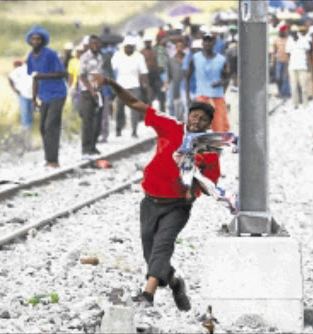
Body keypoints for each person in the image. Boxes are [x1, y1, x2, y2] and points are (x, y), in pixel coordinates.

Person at [91, 73, 221, 311]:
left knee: (163, 246)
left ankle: (146, 295)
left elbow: (211, 182)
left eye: (202, 119)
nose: (197, 121)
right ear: (187, 116)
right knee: (151, 254)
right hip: (150, 201)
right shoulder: (170, 126)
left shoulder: (210, 149)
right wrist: (110, 82)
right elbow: (134, 103)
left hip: (177, 206)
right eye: (194, 116)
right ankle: (174, 282)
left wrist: (194, 188)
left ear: (208, 125)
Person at [25, 25, 68, 168]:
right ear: (30, 41)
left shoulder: (50, 54)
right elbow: (35, 77)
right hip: (43, 95)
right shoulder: (31, 57)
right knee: (43, 127)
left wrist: (44, 75)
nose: (35, 41)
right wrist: (33, 98)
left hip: (57, 93)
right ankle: (48, 158)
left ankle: (53, 160)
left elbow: (62, 73)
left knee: (51, 125)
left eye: (38, 39)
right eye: (33, 39)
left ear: (43, 41)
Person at [187, 33, 230, 133]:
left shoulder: (221, 60)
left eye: (210, 41)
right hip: (201, 97)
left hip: (217, 97)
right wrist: (188, 98)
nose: (208, 43)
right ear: (202, 43)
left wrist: (220, 84)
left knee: (219, 128)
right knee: (200, 127)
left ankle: (217, 147)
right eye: (206, 41)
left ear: (214, 42)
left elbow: (227, 78)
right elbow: (187, 78)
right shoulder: (195, 58)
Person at [111, 36, 151, 138]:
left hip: (134, 85)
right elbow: (112, 69)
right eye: (127, 47)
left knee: (135, 109)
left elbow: (143, 73)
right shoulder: (117, 56)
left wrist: (146, 86)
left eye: (131, 47)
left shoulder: (139, 57)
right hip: (121, 86)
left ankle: (134, 130)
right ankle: (118, 129)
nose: (129, 49)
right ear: (124, 47)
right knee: (120, 108)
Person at [79, 34, 103, 156]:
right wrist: (91, 90)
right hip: (87, 92)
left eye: (97, 43)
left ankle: (93, 145)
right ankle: (86, 147)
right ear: (89, 44)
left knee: (97, 121)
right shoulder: (85, 57)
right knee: (87, 121)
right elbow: (83, 76)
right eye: (93, 43)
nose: (95, 46)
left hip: (98, 91)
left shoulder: (100, 57)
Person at [8, 59, 34, 150]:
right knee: (29, 119)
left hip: (24, 95)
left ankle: (26, 144)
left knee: (26, 120)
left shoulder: (18, 71)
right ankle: (28, 143)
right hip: (31, 95)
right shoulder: (30, 69)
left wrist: (15, 90)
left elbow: (10, 78)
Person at [286, 25, 310, 109]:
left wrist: (308, 64)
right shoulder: (289, 41)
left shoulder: (303, 40)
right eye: (291, 32)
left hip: (302, 66)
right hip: (292, 67)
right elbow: (288, 54)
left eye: (294, 32)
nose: (292, 34)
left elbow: (307, 53)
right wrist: (287, 66)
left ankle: (305, 104)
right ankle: (295, 104)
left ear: (297, 32)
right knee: (293, 87)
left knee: (304, 87)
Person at [141, 35, 164, 112]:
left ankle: (162, 111)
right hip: (146, 75)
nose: (148, 43)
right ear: (144, 43)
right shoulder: (142, 52)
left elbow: (156, 62)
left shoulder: (154, 51)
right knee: (148, 94)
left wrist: (158, 69)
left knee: (160, 92)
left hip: (155, 74)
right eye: (146, 42)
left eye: (149, 42)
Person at [166, 40, 186, 122]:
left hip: (185, 84)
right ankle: (173, 121)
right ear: (176, 48)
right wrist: (167, 83)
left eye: (181, 47)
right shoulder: (171, 60)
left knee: (184, 104)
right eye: (178, 47)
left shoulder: (187, 58)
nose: (180, 49)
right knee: (172, 104)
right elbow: (169, 74)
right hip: (175, 83)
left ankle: (183, 121)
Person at [273, 24, 291, 99]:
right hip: (278, 61)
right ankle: (280, 91)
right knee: (278, 77)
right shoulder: (276, 40)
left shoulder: (288, 40)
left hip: (286, 61)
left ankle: (285, 93)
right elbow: (275, 52)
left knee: (285, 78)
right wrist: (272, 62)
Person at [68, 46, 83, 114]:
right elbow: (70, 74)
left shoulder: (84, 61)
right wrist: (70, 85)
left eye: (81, 52)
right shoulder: (72, 61)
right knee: (74, 102)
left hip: (83, 85)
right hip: (74, 85)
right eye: (78, 52)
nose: (79, 53)